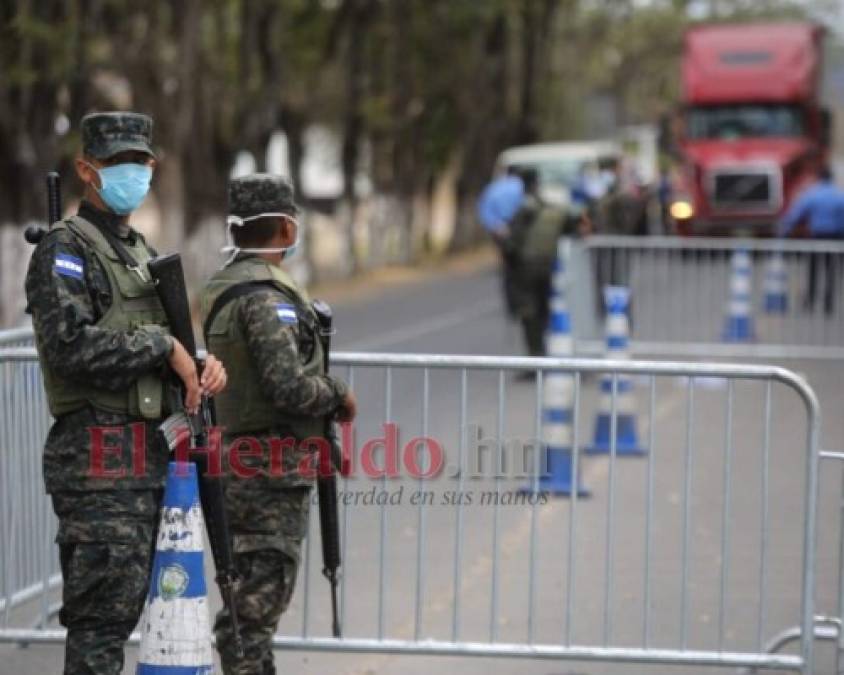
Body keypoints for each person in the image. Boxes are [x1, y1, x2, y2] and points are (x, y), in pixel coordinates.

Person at [24, 111, 227, 675]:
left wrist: (202, 367)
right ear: (87, 170)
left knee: (131, 612)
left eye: (139, 162)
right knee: (100, 628)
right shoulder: (64, 251)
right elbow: (70, 348)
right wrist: (164, 347)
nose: (131, 173)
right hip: (96, 464)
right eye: (117, 163)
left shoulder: (139, 250)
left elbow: (164, 347)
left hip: (146, 457)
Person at [201, 173, 357, 674]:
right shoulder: (264, 298)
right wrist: (339, 395)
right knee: (255, 608)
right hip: (267, 473)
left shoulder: (227, 285)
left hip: (246, 464)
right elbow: (287, 388)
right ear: (287, 229)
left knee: (251, 600)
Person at [509, 168, 570, 358]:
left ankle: (536, 356)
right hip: (546, 266)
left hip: (526, 269)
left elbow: (513, 244)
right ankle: (544, 353)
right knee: (543, 311)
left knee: (529, 313)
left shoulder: (524, 208)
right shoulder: (548, 206)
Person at [779, 165, 844, 315]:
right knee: (832, 270)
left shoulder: (812, 195)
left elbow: (795, 215)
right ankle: (829, 302)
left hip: (817, 236)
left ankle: (810, 300)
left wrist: (784, 232)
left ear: (819, 178)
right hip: (835, 238)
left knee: (813, 270)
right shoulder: (839, 195)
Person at [477, 166, 525, 316]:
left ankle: (512, 303)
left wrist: (496, 226)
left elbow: (484, 210)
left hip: (500, 231)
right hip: (520, 232)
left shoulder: (493, 188)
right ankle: (523, 301)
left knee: (508, 267)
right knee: (522, 266)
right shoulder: (522, 187)